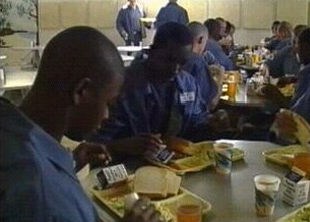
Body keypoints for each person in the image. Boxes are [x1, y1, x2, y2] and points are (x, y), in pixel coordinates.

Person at [0, 26, 162, 222]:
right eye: (108, 103)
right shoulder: (36, 190)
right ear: (81, 91)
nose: (107, 115)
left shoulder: (10, 126)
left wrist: (69, 163)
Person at [90, 22, 229, 149]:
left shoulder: (189, 85)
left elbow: (196, 123)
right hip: (127, 167)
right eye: (168, 60)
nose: (175, 69)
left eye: (182, 63)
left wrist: (211, 123)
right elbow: (95, 143)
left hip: (175, 167)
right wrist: (125, 146)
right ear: (151, 52)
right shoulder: (122, 87)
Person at [183, 22, 218, 109]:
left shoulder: (177, 57)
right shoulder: (198, 62)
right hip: (195, 118)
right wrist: (220, 78)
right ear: (201, 39)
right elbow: (211, 104)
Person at [291, 27, 310, 104]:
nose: (296, 50)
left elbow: (296, 111)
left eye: (298, 45)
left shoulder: (308, 72)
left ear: (306, 47)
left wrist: (275, 95)